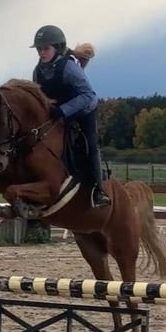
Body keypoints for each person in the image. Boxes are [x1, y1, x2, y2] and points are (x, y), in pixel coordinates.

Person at [30, 24, 111, 208]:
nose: (41, 53)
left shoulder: (69, 67)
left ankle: (98, 191)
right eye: (39, 49)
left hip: (84, 110)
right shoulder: (37, 71)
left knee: (90, 146)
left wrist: (63, 110)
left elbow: (89, 95)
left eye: (45, 48)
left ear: (57, 48)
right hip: (60, 113)